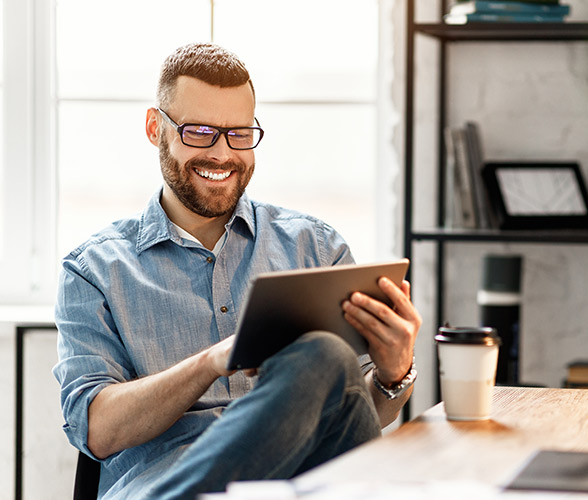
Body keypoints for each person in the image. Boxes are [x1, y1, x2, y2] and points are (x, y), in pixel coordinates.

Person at [53, 43, 421, 500]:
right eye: (199, 132)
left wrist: (393, 372)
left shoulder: (316, 247)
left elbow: (355, 416)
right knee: (323, 354)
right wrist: (208, 363)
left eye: (239, 133)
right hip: (170, 484)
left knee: (327, 362)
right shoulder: (94, 271)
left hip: (300, 483)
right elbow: (97, 432)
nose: (222, 154)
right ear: (155, 128)